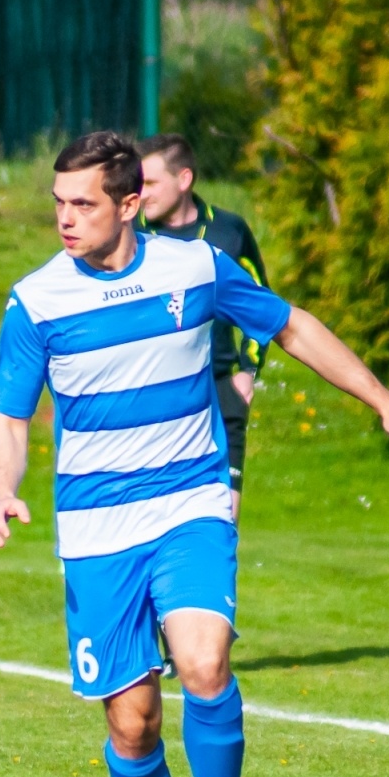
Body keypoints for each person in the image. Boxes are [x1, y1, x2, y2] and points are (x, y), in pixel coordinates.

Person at [0, 131, 389, 777]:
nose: (65, 218)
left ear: (130, 204)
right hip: (98, 530)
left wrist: (386, 403)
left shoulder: (195, 267)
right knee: (133, 723)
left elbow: (291, 325)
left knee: (205, 665)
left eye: (83, 204)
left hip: (190, 503)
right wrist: (3, 491)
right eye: (58, 203)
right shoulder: (37, 300)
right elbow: (8, 414)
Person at [137, 133, 270, 519]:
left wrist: (247, 372)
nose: (141, 194)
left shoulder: (229, 231)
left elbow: (261, 305)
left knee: (224, 520)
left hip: (220, 389)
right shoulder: (131, 238)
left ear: (184, 179)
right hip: (155, 395)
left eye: (151, 183)